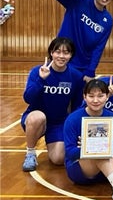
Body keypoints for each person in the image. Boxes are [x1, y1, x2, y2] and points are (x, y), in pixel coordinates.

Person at [21, 37, 85, 172]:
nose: (61, 56)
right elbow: (28, 98)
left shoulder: (76, 76)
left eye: (66, 52)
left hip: (58, 123)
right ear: (51, 53)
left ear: (71, 55)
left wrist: (74, 129)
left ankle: (52, 141)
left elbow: (77, 106)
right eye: (58, 52)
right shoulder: (37, 71)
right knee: (38, 117)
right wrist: (41, 79)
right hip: (35, 119)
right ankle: (30, 153)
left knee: (58, 159)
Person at [52, 0, 113, 81]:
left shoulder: (108, 20)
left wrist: (91, 70)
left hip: (82, 67)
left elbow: (99, 48)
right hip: (62, 58)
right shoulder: (79, 1)